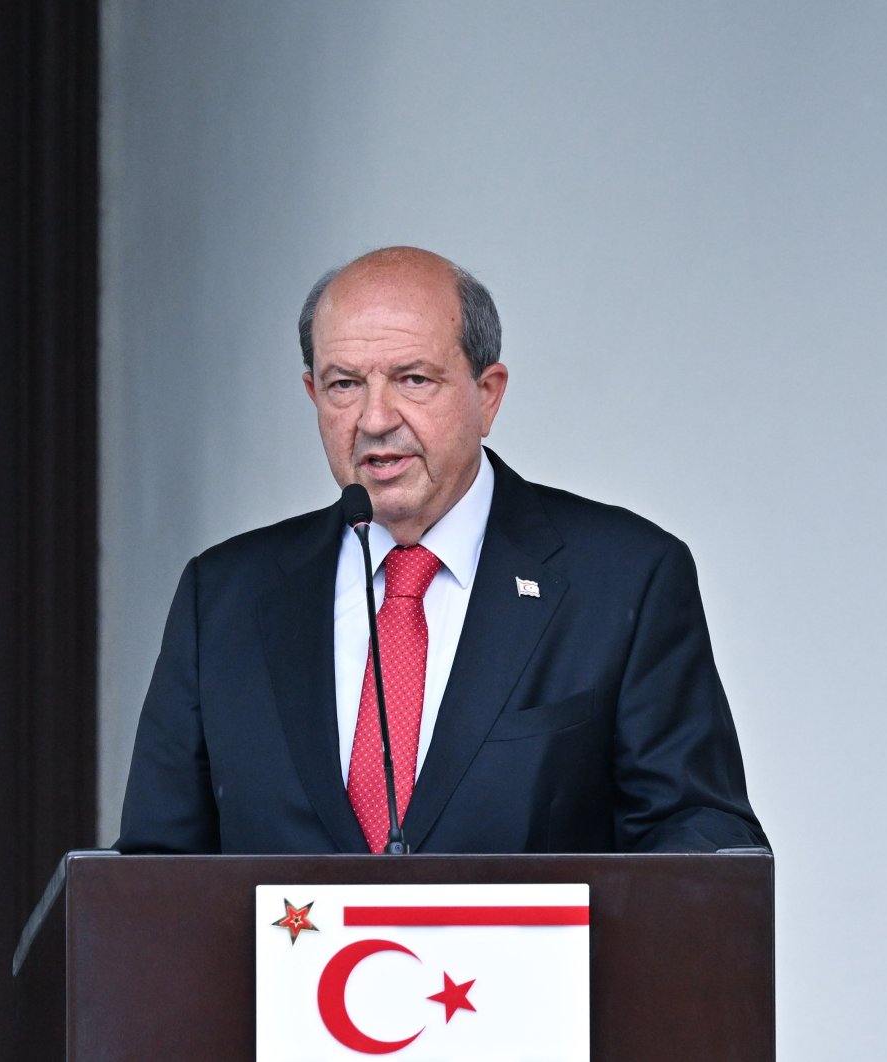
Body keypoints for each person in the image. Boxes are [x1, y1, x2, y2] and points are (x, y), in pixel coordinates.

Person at [117, 246, 766, 854]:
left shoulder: (623, 579)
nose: (375, 418)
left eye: (413, 379)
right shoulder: (224, 598)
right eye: (345, 384)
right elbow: (155, 874)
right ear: (313, 394)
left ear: (488, 394)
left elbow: (700, 843)